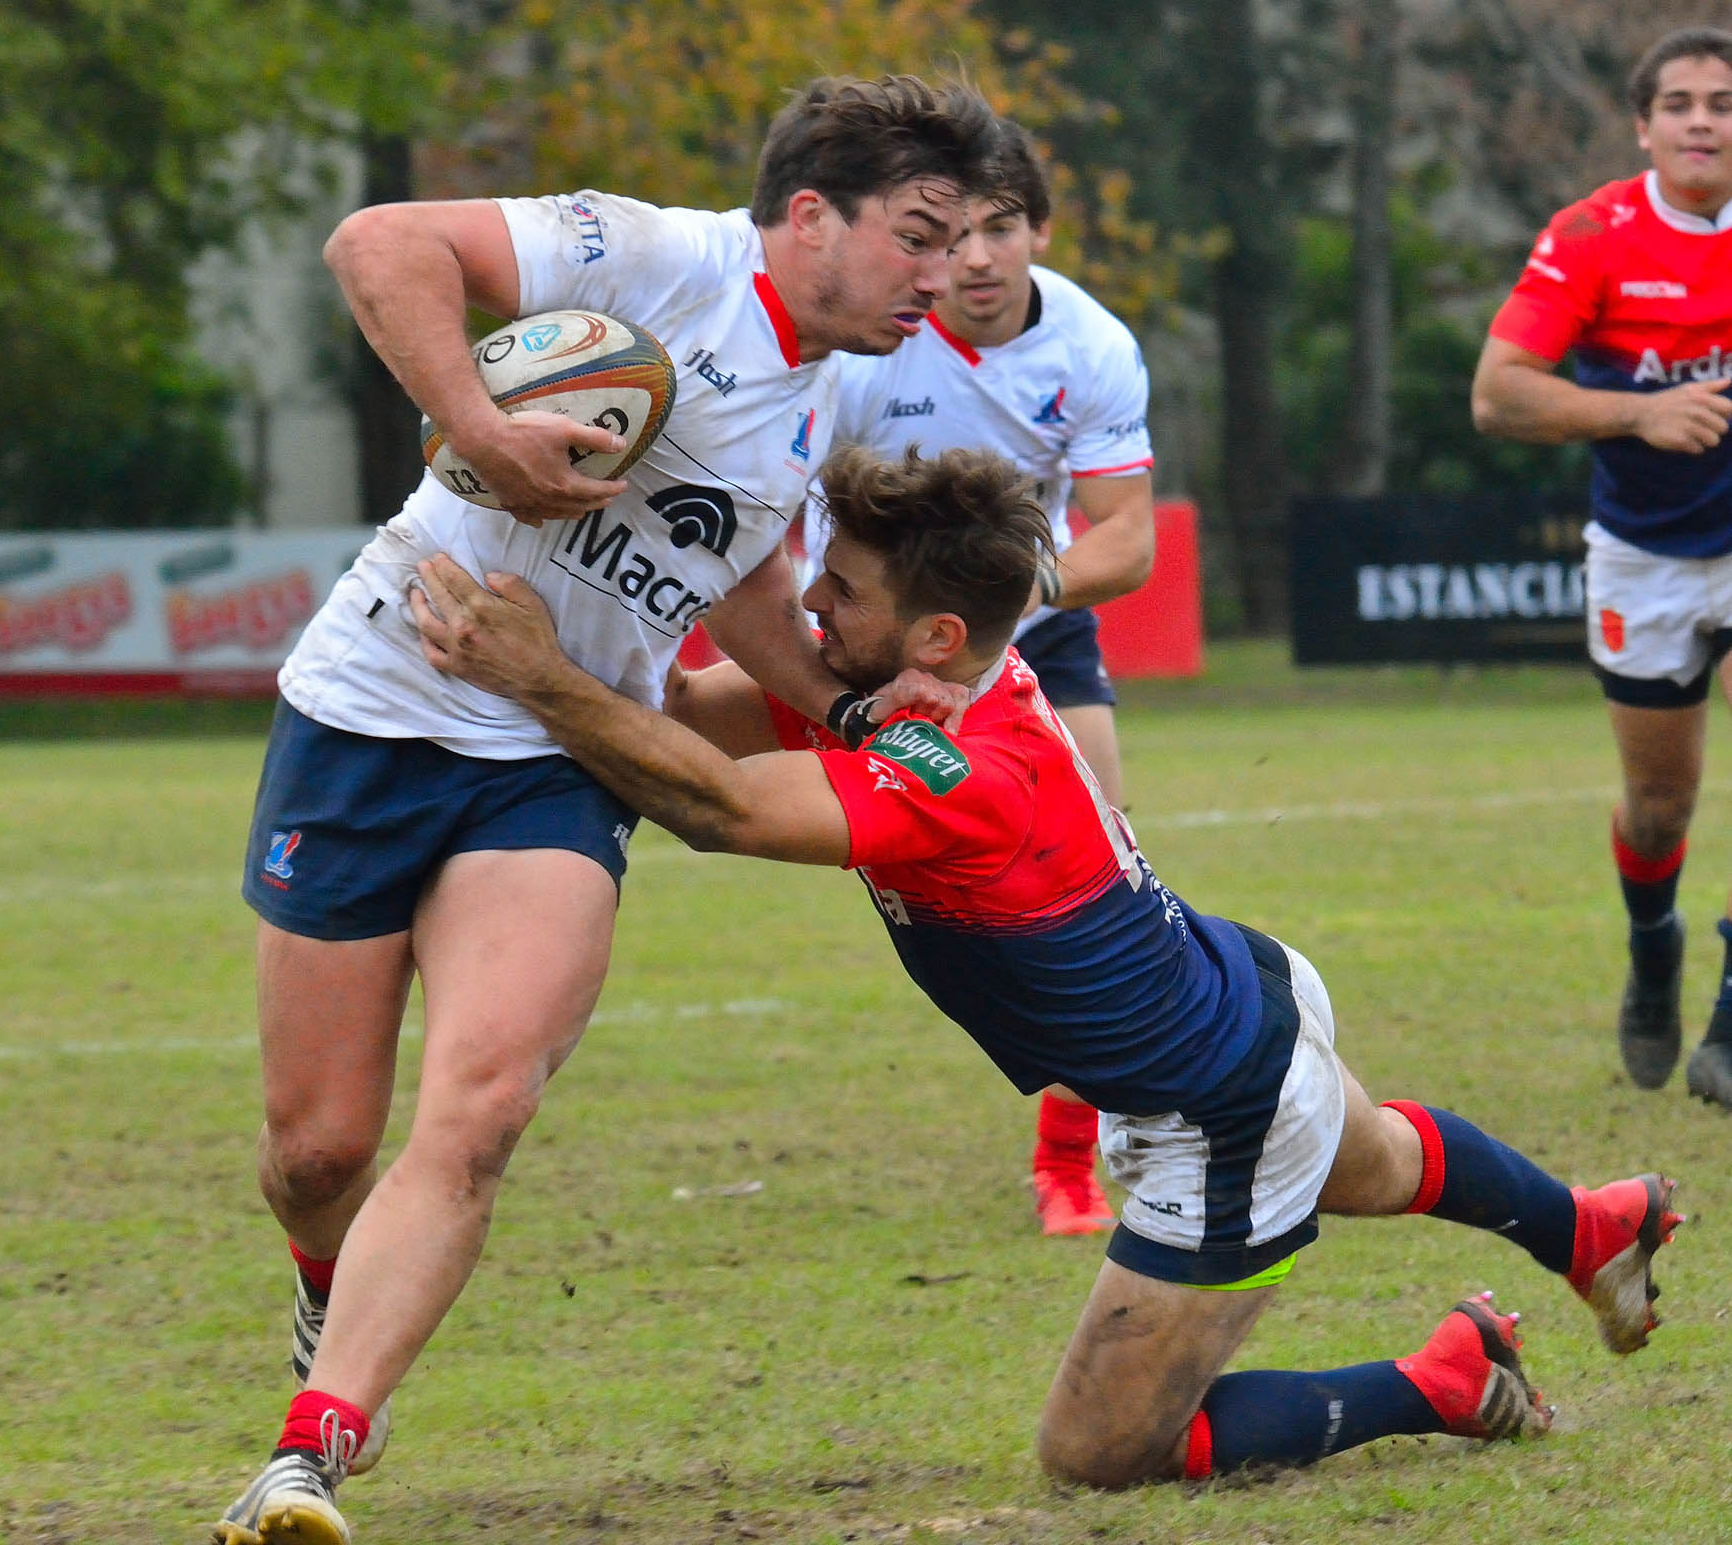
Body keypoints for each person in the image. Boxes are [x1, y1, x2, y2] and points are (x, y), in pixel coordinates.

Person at [409, 442, 1682, 1489]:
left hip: (1214, 1104)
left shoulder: (964, 769)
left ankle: (1440, 1380)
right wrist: (566, 616)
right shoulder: (907, 676)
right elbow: (680, 718)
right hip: (1237, 994)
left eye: (837, 591)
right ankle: (1587, 1224)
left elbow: (717, 806)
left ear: (936, 630)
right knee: (1378, 1160)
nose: (809, 611)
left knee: (1101, 1451)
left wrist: (539, 676)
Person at [211, 76, 1006, 1545]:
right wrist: (478, 426)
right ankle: (328, 1286)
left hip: (556, 758)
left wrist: (844, 712)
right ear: (812, 215)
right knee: (316, 1151)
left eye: (963, 238)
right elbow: (378, 244)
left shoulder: (819, 389)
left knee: (485, 1101)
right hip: (373, 711)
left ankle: (309, 1455)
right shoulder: (653, 256)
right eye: (918, 232)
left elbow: (747, 584)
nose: (948, 269)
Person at [810, 120, 1157, 1237]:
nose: (975, 257)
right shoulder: (875, 340)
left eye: (1000, 229)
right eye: (955, 233)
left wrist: (1000, 609)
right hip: (869, 631)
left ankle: (1069, 1161)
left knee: (1098, 869)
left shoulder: (1093, 346)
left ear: (1038, 233)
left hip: (1029, 624)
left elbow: (1127, 542)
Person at [1472, 26, 1732, 1105]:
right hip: (1646, 557)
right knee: (1659, 802)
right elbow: (1499, 394)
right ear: (1644, 124)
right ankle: (1653, 946)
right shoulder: (1594, 235)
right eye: (1680, 103)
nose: (1704, 121)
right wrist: (1642, 410)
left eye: (1723, 102)